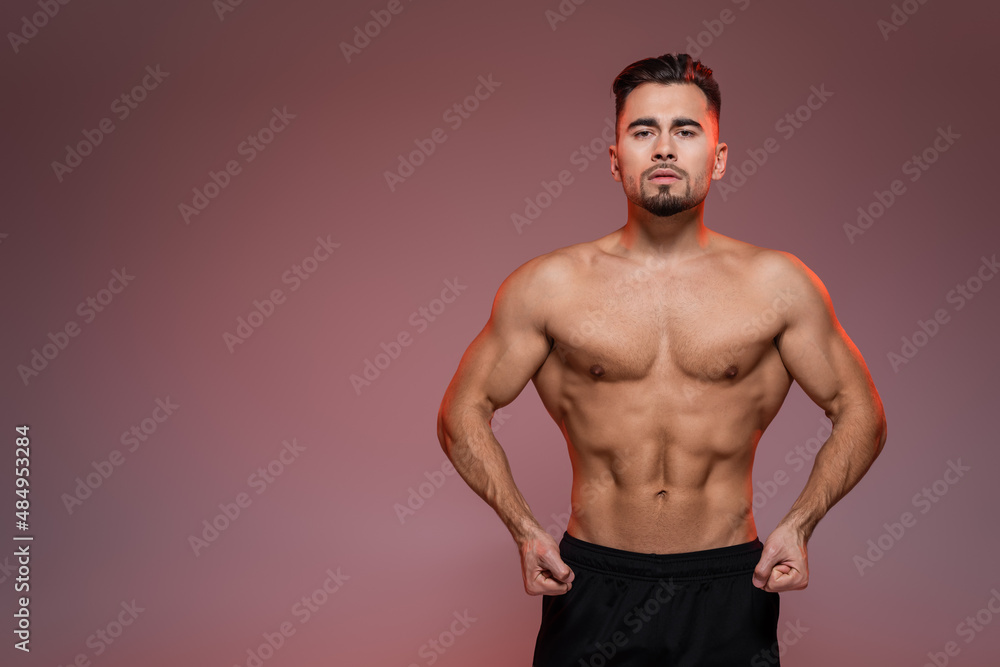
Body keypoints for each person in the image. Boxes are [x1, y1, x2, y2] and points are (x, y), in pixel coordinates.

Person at [436, 52, 887, 665]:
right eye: (644, 131)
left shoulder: (778, 285)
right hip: (591, 582)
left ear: (719, 158)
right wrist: (523, 529)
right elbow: (462, 411)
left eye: (687, 131)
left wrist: (801, 524)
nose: (665, 149)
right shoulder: (549, 286)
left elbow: (860, 411)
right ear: (615, 157)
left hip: (729, 584)